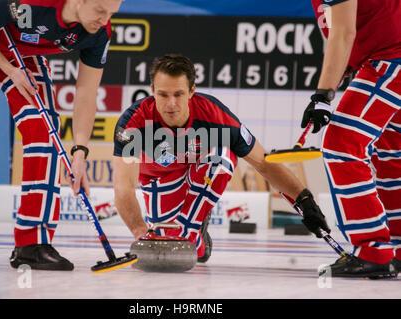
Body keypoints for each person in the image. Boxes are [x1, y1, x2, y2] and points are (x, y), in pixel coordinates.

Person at [0, 0, 124, 270]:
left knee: (45, 134)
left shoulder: (99, 32)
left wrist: (80, 153)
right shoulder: (34, 2)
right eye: (100, 10)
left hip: (17, 47)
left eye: (112, 13)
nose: (105, 20)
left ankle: (32, 245)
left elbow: (87, 96)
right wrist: (8, 70)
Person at [113, 54, 331, 262]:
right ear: (152, 91)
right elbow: (123, 187)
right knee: (179, 246)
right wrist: (142, 234)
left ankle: (190, 229)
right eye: (163, 95)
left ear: (191, 91)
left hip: (200, 175)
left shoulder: (216, 116)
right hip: (159, 182)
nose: (171, 104)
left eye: (178, 94)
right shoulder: (132, 123)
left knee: (222, 156)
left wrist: (304, 200)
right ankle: (195, 234)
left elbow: (264, 163)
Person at [303, 0, 400, 278]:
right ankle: (395, 249)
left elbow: (343, 33)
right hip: (385, 58)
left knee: (342, 145)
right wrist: (348, 64)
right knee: (391, 155)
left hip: (391, 60)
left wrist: (322, 96)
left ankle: (373, 251)